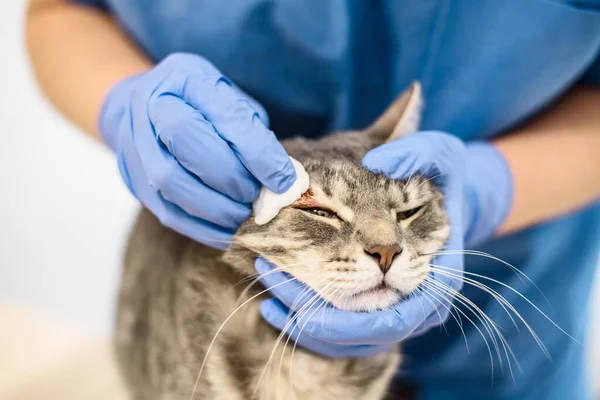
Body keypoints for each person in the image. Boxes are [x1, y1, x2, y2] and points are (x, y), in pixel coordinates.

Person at [25, 0, 600, 399]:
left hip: (512, 307)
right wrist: (123, 102)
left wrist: (488, 187)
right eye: (325, 212)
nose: (384, 246)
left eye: (403, 212)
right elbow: (59, 8)